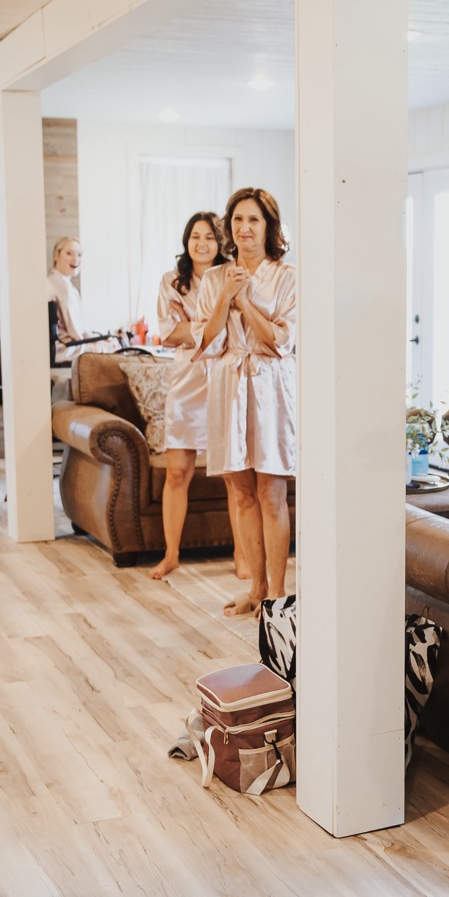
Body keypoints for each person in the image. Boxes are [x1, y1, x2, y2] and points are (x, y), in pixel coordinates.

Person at [196, 188, 296, 616]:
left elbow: (280, 341)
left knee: (271, 492)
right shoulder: (213, 278)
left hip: (271, 386)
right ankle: (255, 588)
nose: (245, 228)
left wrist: (244, 301)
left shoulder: (287, 277)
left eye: (254, 219)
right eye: (238, 219)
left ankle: (277, 595)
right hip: (228, 384)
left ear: (268, 226)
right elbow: (204, 340)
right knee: (241, 493)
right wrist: (225, 296)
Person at [149, 211, 244, 580]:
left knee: (233, 475)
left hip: (224, 377)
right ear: (186, 241)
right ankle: (171, 554)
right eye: (195, 237)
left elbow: (234, 330)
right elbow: (170, 333)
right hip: (187, 381)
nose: (201, 243)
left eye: (209, 237)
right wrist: (213, 327)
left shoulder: (232, 276)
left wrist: (199, 329)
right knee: (177, 471)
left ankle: (242, 555)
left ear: (220, 243)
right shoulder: (172, 281)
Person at [47, 236, 95, 361]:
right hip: (66, 349)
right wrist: (98, 342)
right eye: (69, 253)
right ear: (56, 256)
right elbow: (76, 333)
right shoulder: (64, 287)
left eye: (79, 255)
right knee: (112, 349)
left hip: (62, 348)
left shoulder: (52, 281)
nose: (76, 259)